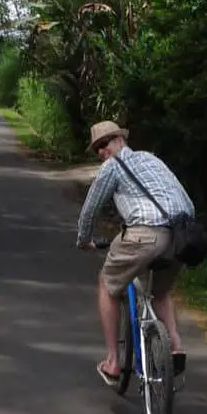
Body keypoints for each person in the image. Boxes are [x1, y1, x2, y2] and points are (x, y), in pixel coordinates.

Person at [76, 120, 195, 386]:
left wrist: (84, 240)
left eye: (105, 144)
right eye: (97, 148)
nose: (101, 152)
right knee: (161, 292)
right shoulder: (152, 160)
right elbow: (185, 201)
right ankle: (175, 346)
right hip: (179, 237)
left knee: (107, 285)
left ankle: (113, 362)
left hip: (143, 234)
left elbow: (90, 208)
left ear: (120, 139)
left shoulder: (113, 166)